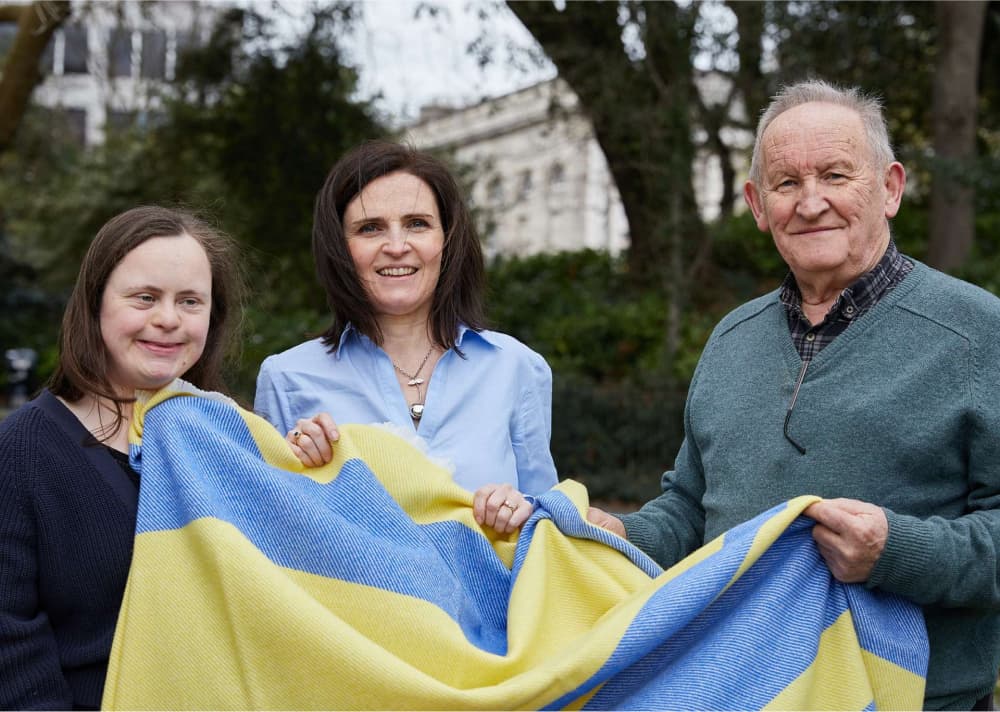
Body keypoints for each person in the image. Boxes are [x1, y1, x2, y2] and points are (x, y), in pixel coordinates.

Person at [587, 79, 1000, 710]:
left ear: (889, 188)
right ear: (757, 204)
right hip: (729, 692)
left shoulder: (978, 334)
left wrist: (897, 552)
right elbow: (692, 512)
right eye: (786, 184)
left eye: (836, 176)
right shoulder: (731, 338)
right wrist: (615, 532)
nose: (811, 203)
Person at [0, 206, 246, 709]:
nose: (168, 319)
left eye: (190, 301)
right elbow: (9, 639)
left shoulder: (232, 437)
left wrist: (313, 467)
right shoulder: (24, 450)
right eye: (146, 297)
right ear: (96, 304)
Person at [255, 141, 558, 533]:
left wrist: (522, 510)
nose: (397, 247)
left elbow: (549, 526)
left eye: (417, 223)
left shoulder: (517, 368)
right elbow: (271, 539)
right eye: (370, 228)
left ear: (447, 240)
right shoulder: (285, 378)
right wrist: (299, 472)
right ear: (339, 249)